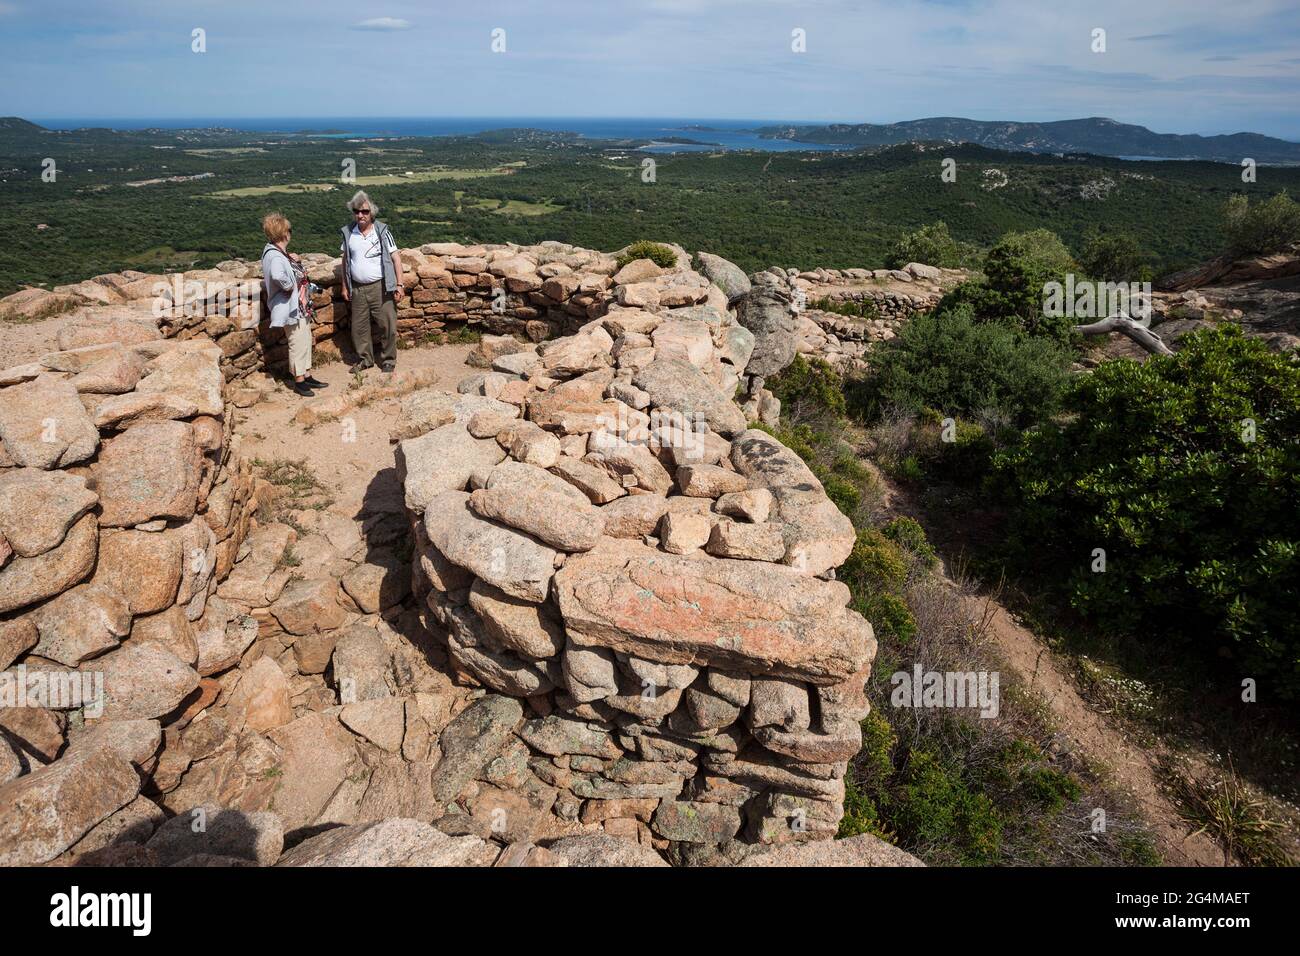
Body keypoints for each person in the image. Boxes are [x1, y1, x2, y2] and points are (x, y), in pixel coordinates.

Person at [261, 213, 325, 398]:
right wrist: (290, 286)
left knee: (304, 340)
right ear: (285, 234)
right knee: (297, 342)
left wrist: (292, 260)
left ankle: (307, 375)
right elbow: (278, 276)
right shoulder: (275, 256)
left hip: (299, 306)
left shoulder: (278, 253)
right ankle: (299, 382)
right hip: (290, 307)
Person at [340, 190, 404, 374]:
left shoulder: (382, 231)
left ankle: (388, 360)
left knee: (388, 325)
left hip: (381, 286)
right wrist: (345, 285)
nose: (360, 215)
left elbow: (396, 258)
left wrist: (400, 285)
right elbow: (345, 260)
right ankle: (365, 360)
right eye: (357, 211)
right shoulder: (348, 233)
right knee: (358, 328)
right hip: (357, 288)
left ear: (372, 213)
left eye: (365, 211)